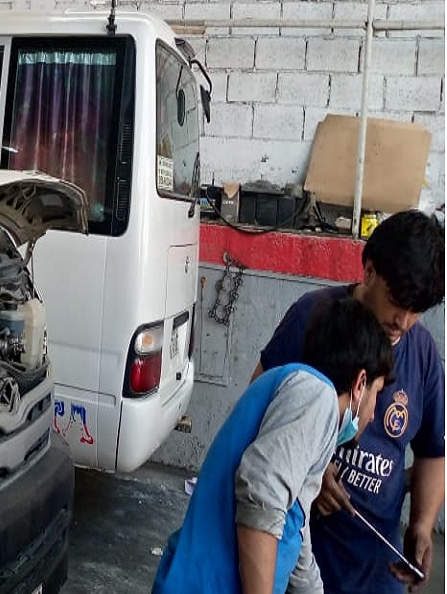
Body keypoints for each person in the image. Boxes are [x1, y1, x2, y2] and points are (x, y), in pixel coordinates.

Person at [251, 209, 445, 592]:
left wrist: (422, 524)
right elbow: (258, 404)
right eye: (396, 301)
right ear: (369, 271)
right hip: (301, 554)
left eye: (416, 310)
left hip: (376, 567)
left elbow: (433, 452)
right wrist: (310, 470)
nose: (403, 321)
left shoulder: (423, 352)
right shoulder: (312, 317)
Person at [153, 297, 394, 594]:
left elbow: (295, 527)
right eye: (377, 394)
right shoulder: (317, 395)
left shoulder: (303, 396)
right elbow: (262, 495)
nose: (373, 415)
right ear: (360, 384)